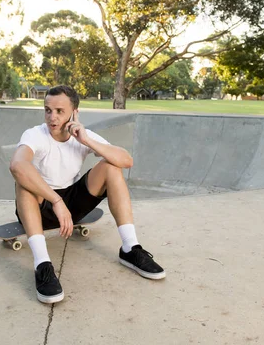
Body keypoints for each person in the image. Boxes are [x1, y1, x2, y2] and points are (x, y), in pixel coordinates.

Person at [9, 85, 165, 304]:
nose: (52, 117)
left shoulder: (83, 135)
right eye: (47, 110)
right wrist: (56, 200)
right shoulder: (35, 134)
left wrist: (87, 141)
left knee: (111, 167)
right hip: (40, 205)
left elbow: (126, 160)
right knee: (23, 180)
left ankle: (130, 248)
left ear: (75, 113)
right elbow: (17, 165)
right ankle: (42, 265)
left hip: (72, 204)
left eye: (59, 111)